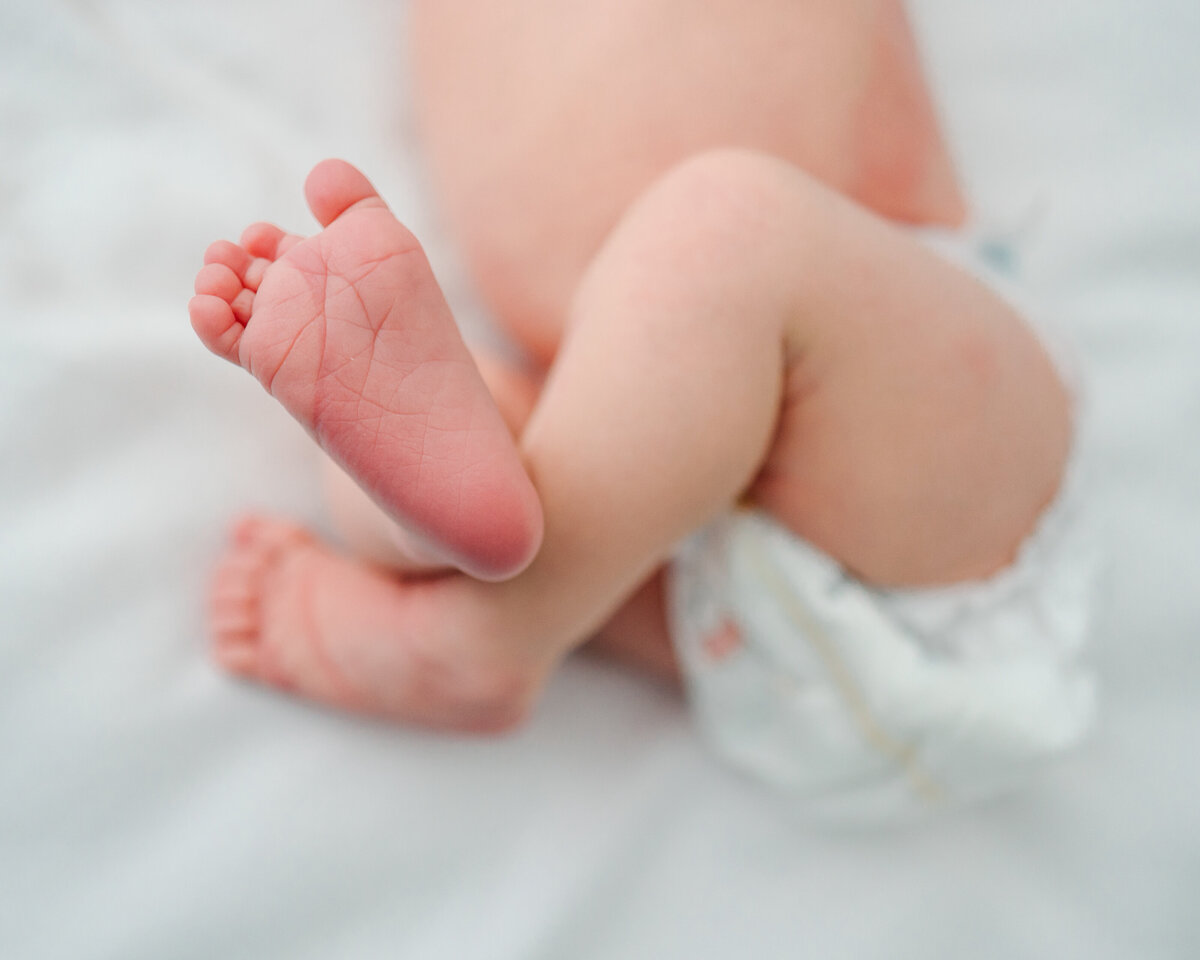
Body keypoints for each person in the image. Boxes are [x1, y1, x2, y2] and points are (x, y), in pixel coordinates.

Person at [188, 0, 1095, 811]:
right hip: (645, 512)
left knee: (728, 231)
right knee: (496, 435)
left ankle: (492, 626)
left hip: (909, 436)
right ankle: (432, 535)